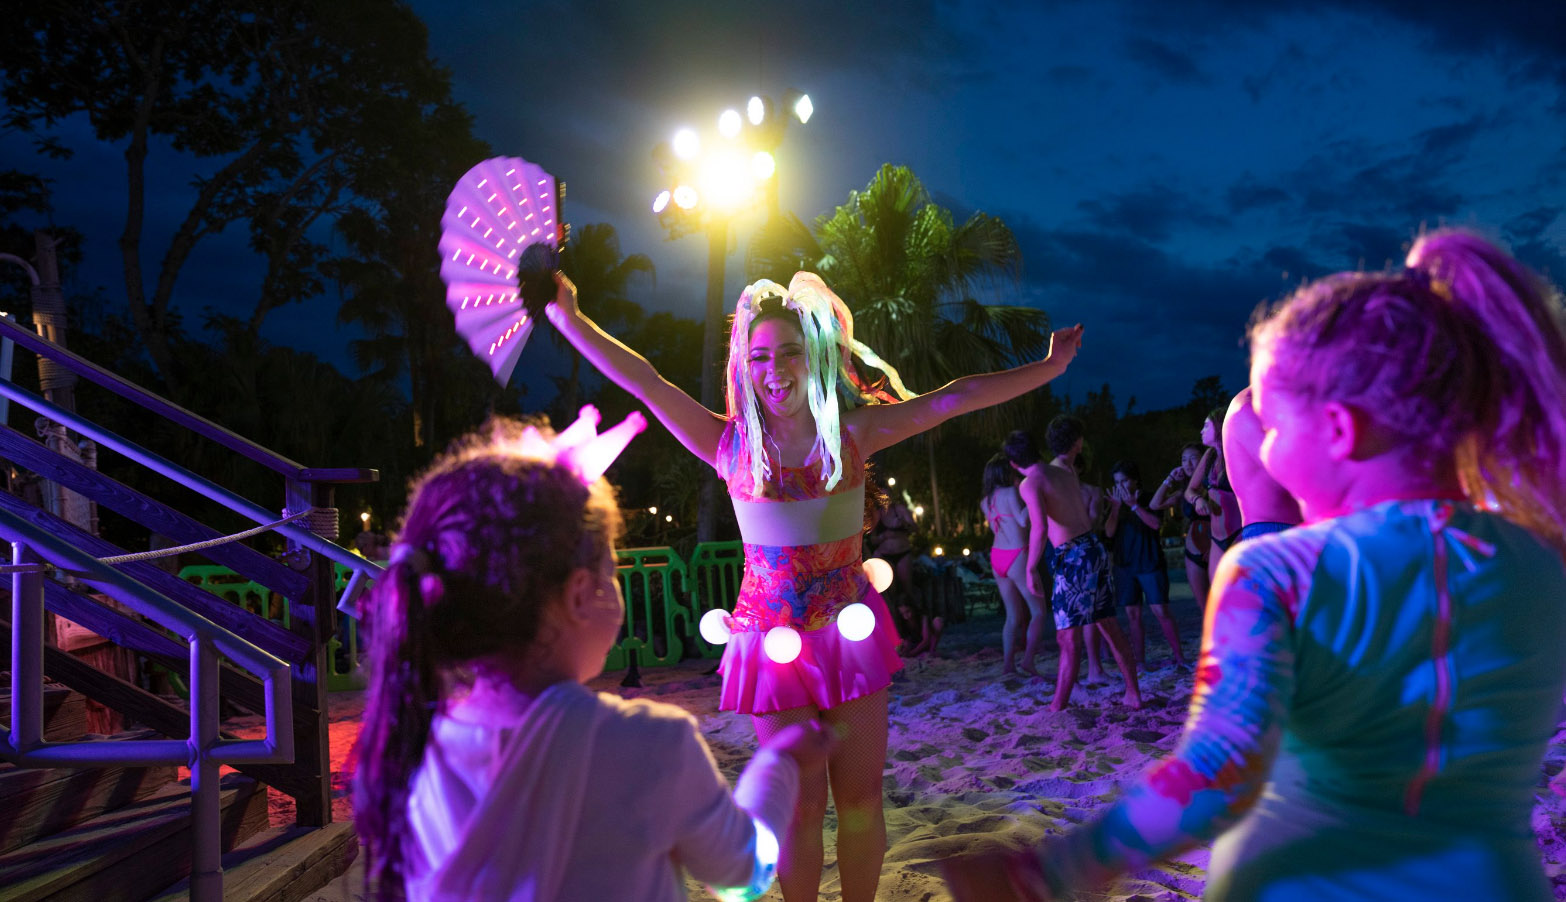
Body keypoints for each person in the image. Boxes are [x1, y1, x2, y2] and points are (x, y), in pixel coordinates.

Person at [941, 229, 1566, 901]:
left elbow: (1218, 771)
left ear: (1339, 429)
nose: (1264, 454)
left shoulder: (1276, 571)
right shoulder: (1540, 561)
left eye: (1273, 428)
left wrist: (1051, 871)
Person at [547, 270, 1084, 902]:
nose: (775, 370)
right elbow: (647, 381)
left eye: (790, 352)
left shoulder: (852, 434)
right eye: (760, 357)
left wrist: (1048, 368)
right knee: (800, 810)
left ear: (815, 357)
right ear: (744, 367)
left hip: (849, 634)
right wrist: (570, 320)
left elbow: (954, 397)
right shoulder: (730, 445)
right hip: (770, 643)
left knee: (859, 799)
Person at [353, 411, 836, 902]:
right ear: (580, 593)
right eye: (612, 567)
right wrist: (778, 766)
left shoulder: (417, 747)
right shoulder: (649, 742)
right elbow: (741, 876)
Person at [1004, 423, 1141, 712]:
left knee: (1067, 636)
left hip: (1073, 556)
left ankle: (1057, 705)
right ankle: (1133, 693)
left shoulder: (1030, 483)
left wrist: (1030, 569)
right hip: (1093, 548)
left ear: (1014, 464)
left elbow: (1039, 528)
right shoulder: (1063, 470)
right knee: (1108, 624)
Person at [1104, 459, 1188, 671]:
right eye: (1117, 482)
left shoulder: (1150, 497)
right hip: (1124, 565)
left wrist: (1134, 505)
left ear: (1134, 480)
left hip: (1149, 561)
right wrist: (1115, 509)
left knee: (1161, 610)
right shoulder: (1116, 503)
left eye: (1124, 481)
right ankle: (1140, 661)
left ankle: (1179, 657)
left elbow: (1156, 524)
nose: (1121, 486)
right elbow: (1109, 533)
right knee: (1132, 615)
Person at [980, 453, 1050, 677]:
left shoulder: (985, 500)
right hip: (1017, 553)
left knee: (1012, 616)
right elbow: (1022, 520)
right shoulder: (1011, 492)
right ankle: (1028, 661)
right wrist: (1033, 497)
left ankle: (1008, 665)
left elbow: (997, 527)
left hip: (997, 555)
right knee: (1038, 611)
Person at [1222, 386, 1302, 541]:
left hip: (1284, 530)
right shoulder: (1246, 408)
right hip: (1273, 532)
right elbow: (1289, 469)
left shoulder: (1266, 404)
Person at [1149, 443, 1211, 607]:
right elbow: (1155, 505)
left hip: (1217, 547)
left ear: (1204, 459)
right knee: (1204, 606)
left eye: (1193, 458)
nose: (1188, 464)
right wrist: (1169, 478)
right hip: (1193, 552)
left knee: (1225, 602)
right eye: (1184, 460)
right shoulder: (1183, 492)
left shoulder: (1214, 485)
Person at [1187, 409, 1242, 584]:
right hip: (1217, 538)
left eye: (1206, 426)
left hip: (1239, 533)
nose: (1201, 431)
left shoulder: (1236, 453)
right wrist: (1198, 500)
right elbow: (1190, 490)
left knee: (1239, 590)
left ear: (1219, 427)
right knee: (1218, 592)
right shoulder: (1210, 455)